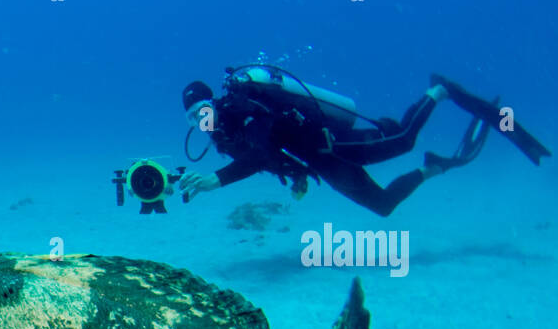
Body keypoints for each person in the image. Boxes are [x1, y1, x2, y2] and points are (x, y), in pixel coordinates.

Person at [177, 67, 551, 217]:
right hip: (321, 163)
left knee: (403, 139)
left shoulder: (242, 109)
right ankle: (433, 167)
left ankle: (439, 91)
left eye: (203, 109)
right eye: (194, 117)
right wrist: (298, 178)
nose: (201, 119)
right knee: (383, 205)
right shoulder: (224, 136)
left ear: (215, 102)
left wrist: (218, 179)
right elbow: (272, 155)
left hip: (332, 144)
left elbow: (261, 151)